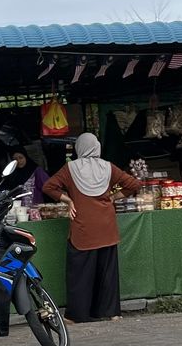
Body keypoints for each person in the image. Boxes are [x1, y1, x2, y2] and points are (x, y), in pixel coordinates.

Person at [42, 132, 140, 324]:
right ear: (96, 147)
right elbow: (133, 184)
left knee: (79, 273)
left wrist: (68, 200)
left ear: (79, 148)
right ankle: (112, 313)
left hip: (83, 228)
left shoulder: (70, 168)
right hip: (106, 226)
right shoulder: (108, 167)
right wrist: (112, 198)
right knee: (108, 273)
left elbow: (48, 187)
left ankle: (76, 315)